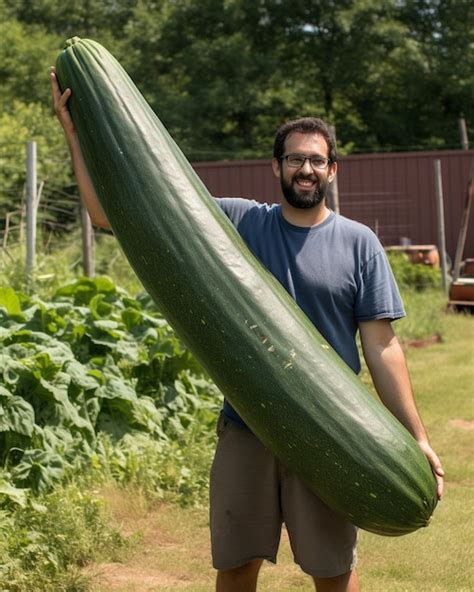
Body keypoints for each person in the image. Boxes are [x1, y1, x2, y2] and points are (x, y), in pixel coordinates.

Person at [51, 68, 444, 592]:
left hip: (334, 433)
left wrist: (415, 436)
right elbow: (108, 215)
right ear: (276, 166)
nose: (306, 169)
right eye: (295, 158)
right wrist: (76, 134)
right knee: (236, 569)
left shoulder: (359, 243)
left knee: (333, 573)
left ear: (332, 169)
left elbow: (382, 346)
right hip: (246, 429)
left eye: (316, 160)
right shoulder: (236, 223)